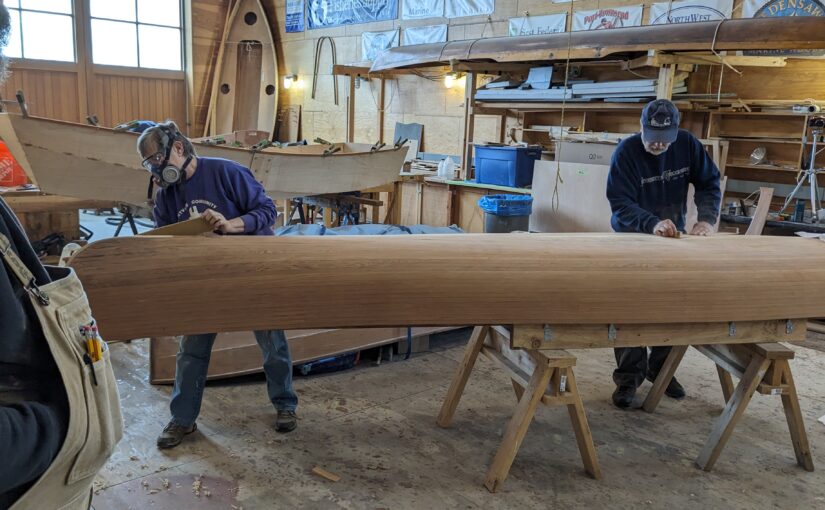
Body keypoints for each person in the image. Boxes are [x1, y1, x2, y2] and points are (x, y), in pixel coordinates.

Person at [136, 121, 298, 448]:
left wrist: (230, 226)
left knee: (273, 343)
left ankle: (285, 404)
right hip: (206, 278)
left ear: (179, 148)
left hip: (250, 269)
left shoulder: (227, 173)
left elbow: (268, 212)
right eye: (150, 164)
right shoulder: (167, 197)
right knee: (191, 351)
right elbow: (166, 241)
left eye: (158, 160)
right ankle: (182, 419)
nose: (156, 169)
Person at [605, 98, 721, 409]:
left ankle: (661, 369)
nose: (658, 145)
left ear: (676, 131)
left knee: (671, 307)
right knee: (631, 310)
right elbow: (619, 202)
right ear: (641, 129)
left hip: (675, 238)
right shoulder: (626, 152)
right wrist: (652, 223)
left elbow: (710, 183)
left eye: (665, 139)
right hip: (632, 237)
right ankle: (629, 378)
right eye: (652, 137)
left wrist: (707, 220)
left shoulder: (688, 145)